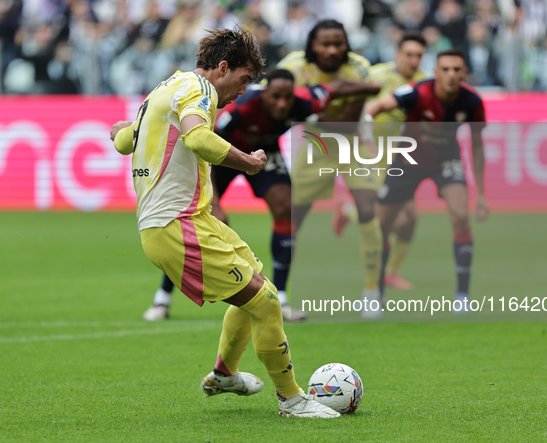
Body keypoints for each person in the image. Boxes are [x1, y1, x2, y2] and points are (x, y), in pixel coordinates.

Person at [110, 26, 339, 418]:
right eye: (244, 79)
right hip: (174, 225)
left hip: (191, 218)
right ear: (222, 67)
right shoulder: (199, 91)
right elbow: (198, 139)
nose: (244, 90)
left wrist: (122, 130)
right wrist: (247, 162)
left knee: (257, 287)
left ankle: (224, 374)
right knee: (267, 303)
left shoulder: (164, 89)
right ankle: (292, 400)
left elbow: (123, 142)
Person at [144, 69, 380, 323]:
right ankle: (162, 298)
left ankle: (283, 298)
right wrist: (215, 203)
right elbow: (204, 145)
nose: (282, 104)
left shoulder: (304, 100)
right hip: (222, 155)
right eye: (275, 97)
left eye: (287, 98)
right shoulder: (242, 109)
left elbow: (337, 86)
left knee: (286, 208)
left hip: (263, 153)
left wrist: (369, 88)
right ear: (265, 93)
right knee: (194, 223)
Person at [365, 48, 489, 311]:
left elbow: (477, 147)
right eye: (445, 69)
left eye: (457, 70)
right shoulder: (416, 91)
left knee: (460, 216)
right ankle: (376, 293)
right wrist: (366, 119)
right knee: (382, 226)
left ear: (465, 73)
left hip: (446, 160)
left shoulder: (472, 102)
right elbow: (379, 105)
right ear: (435, 73)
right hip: (408, 160)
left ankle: (462, 296)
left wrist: (480, 194)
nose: (451, 75)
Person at [277, 19, 383, 310]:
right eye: (326, 43)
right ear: (313, 45)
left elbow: (347, 124)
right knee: (291, 217)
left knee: (367, 208)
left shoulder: (358, 67)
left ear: (347, 44)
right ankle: (279, 293)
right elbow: (271, 100)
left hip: (353, 145)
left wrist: (305, 111)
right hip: (315, 146)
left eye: (338, 43)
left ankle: (372, 293)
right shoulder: (294, 67)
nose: (333, 49)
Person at [331, 32, 428, 292]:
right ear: (397, 54)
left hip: (403, 158)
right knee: (392, 217)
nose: (414, 60)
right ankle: (381, 276)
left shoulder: (425, 83)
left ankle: (349, 213)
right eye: (409, 54)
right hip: (374, 153)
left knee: (408, 221)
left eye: (419, 55)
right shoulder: (378, 76)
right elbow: (360, 105)